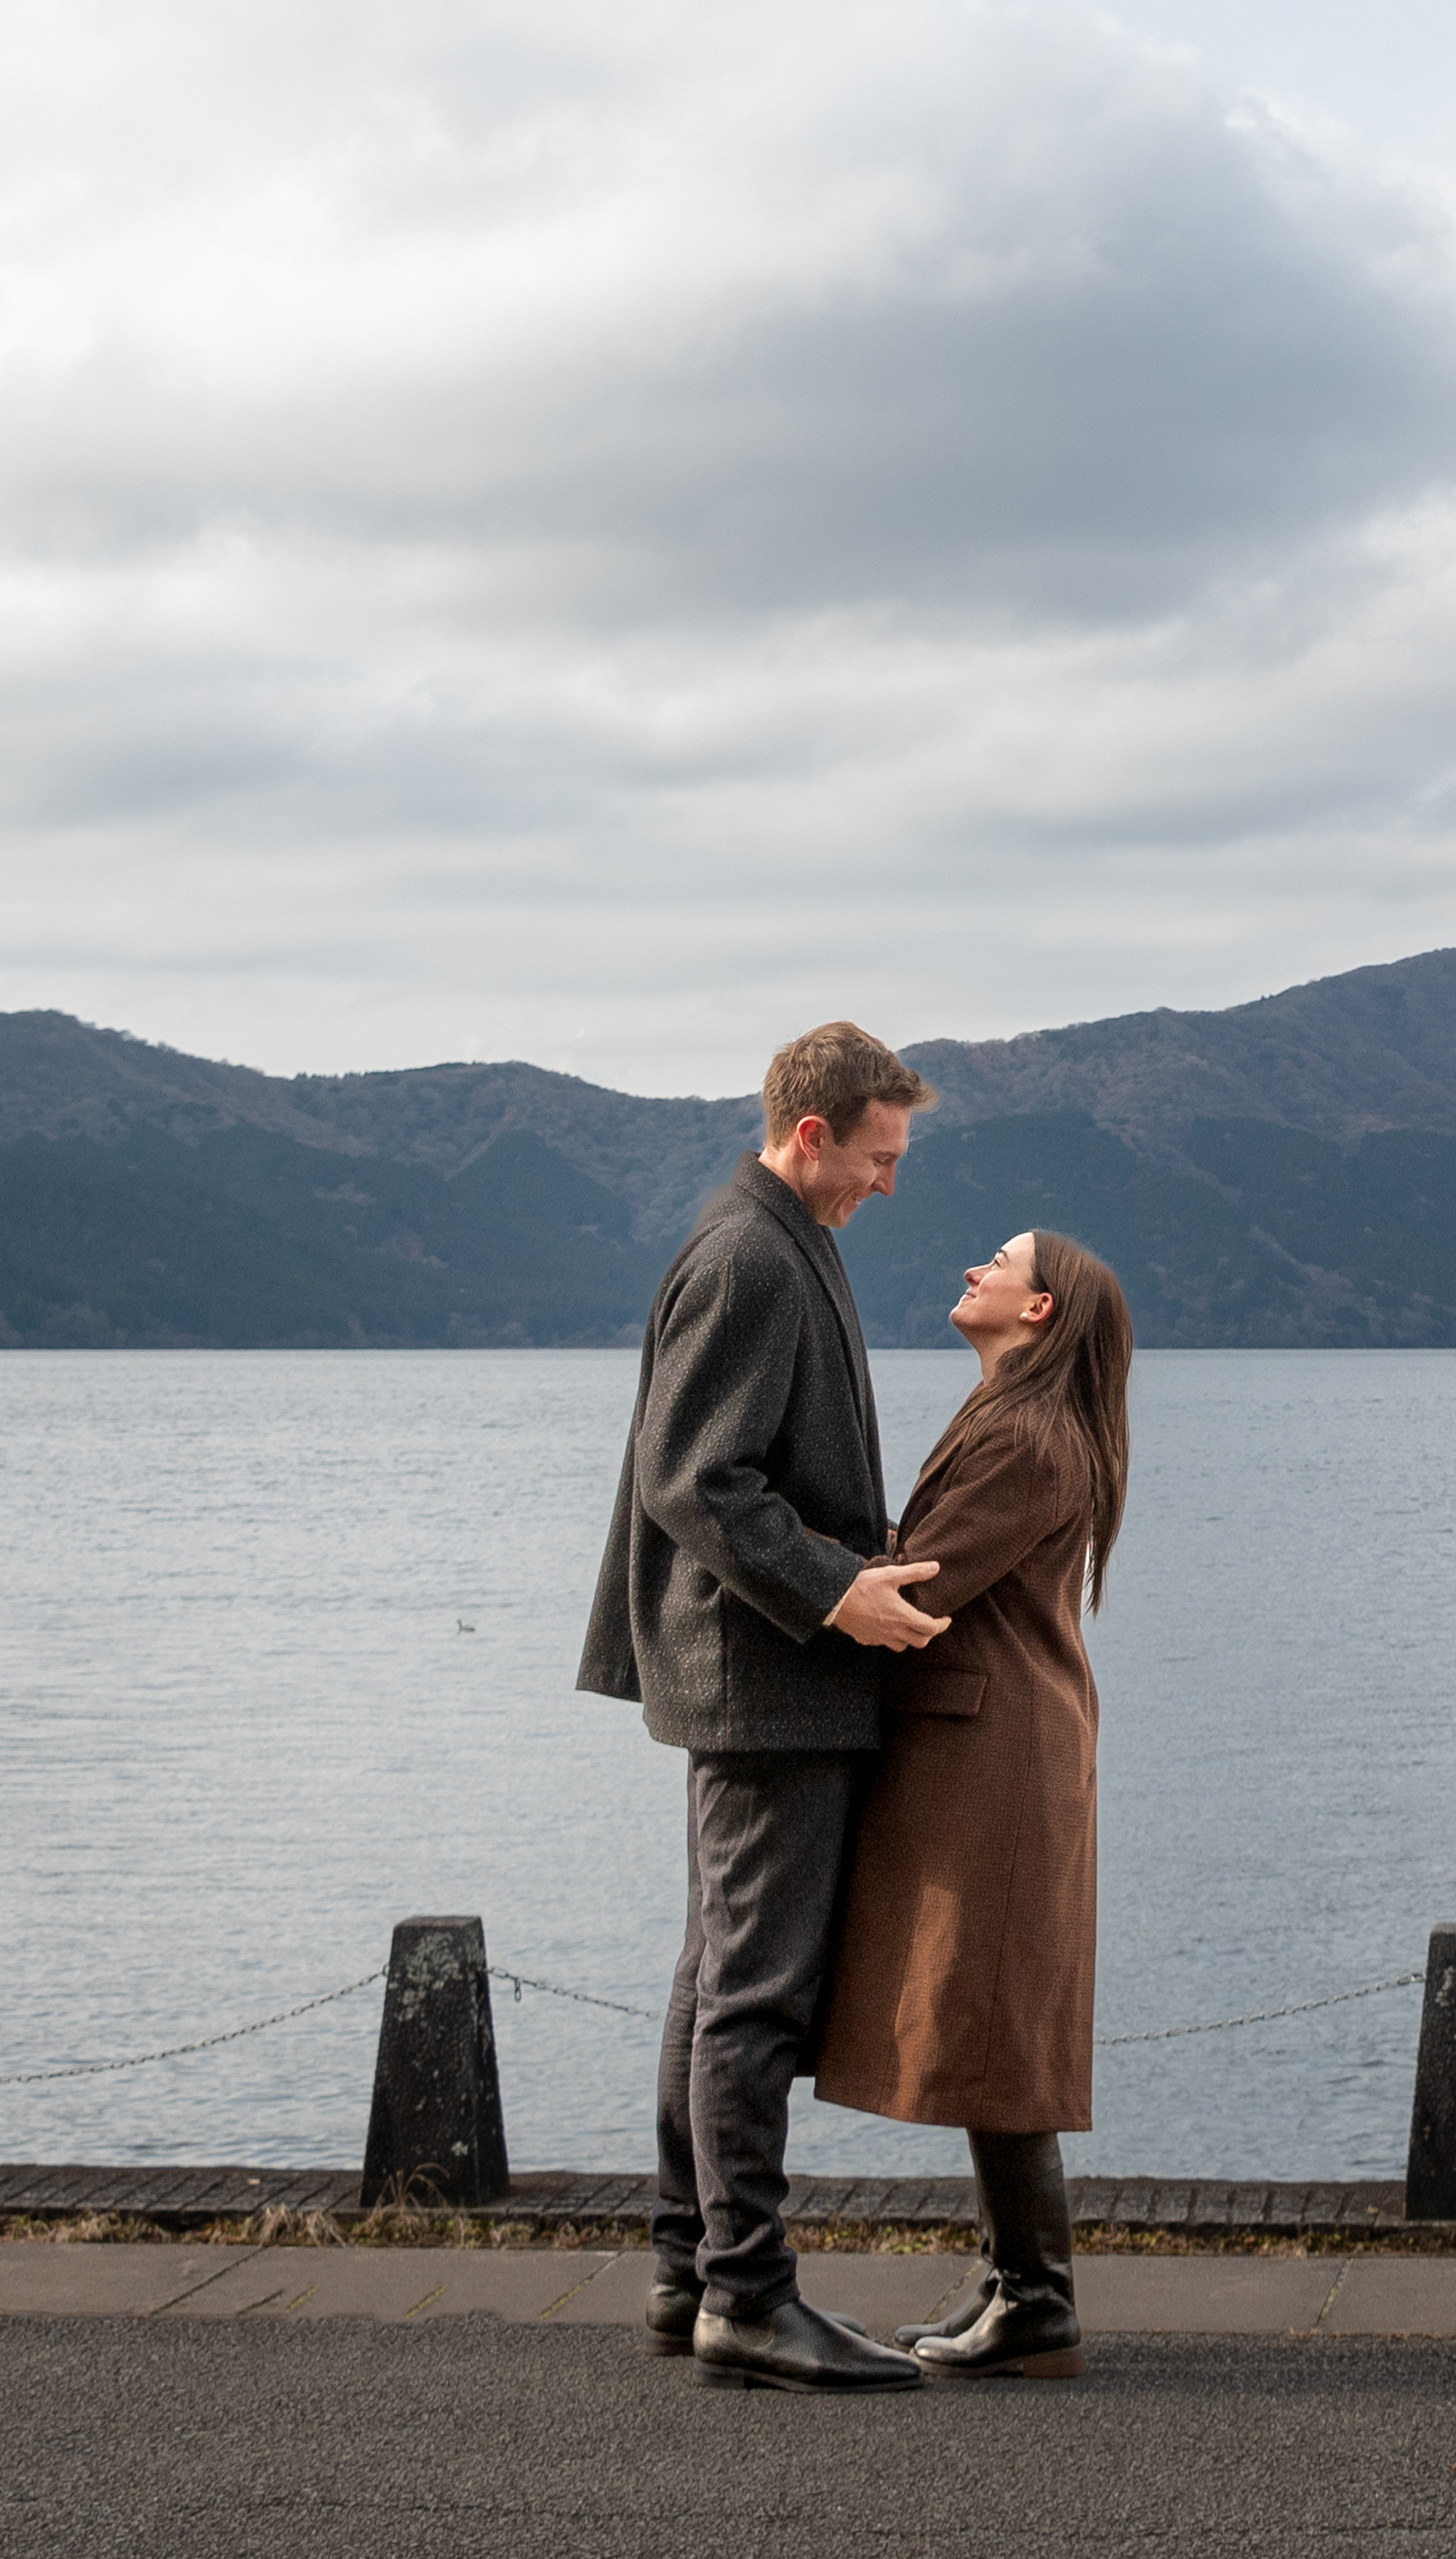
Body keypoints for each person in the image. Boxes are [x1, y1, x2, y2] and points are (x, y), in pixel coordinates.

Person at [578, 1021, 950, 2396]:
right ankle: (745, 2296)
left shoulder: (774, 1237)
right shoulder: (749, 1254)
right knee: (753, 1994)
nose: (888, 1182)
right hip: (768, 1679)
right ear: (811, 1134)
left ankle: (691, 2272)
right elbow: (697, 1477)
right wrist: (838, 1590)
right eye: (878, 1155)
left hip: (758, 1673)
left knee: (714, 1977)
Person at [814, 1225, 1134, 2381]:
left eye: (998, 1264)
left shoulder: (1030, 1437)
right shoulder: (1016, 1418)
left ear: (1040, 1309)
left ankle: (1037, 2301)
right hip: (989, 1746)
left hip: (997, 1755)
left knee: (1001, 2022)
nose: (971, 1271)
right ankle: (1013, 2284)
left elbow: (921, 1586)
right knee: (996, 2016)